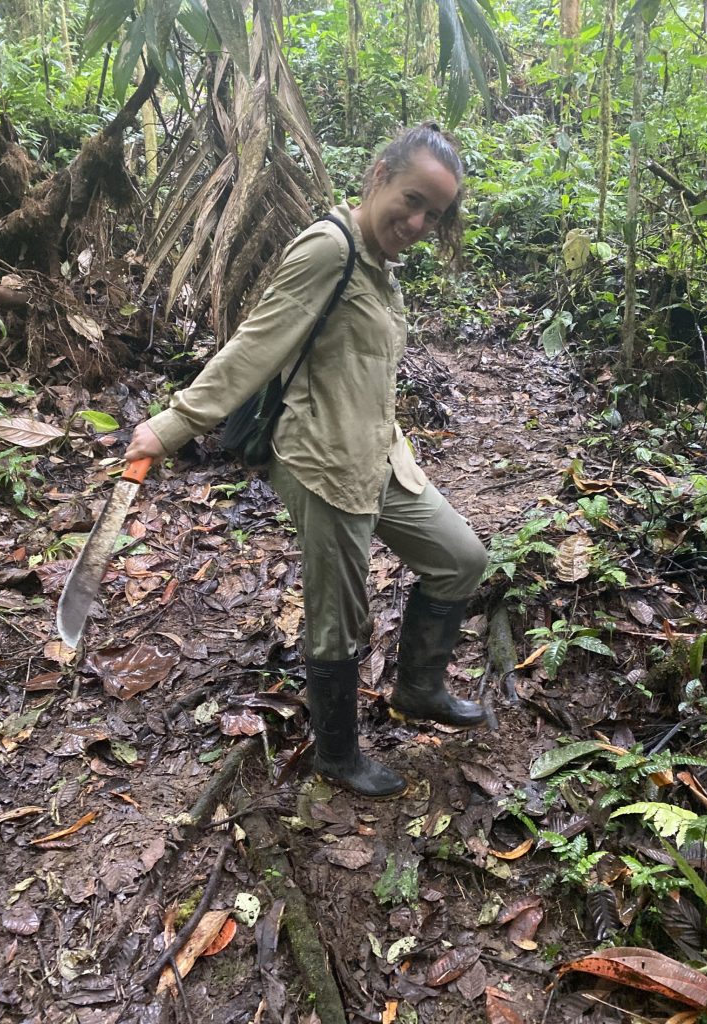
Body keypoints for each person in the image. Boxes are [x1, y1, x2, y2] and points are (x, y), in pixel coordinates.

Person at [125, 122, 489, 798]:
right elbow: (254, 346)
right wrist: (171, 426)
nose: (416, 222)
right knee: (338, 619)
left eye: (432, 215)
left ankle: (418, 689)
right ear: (378, 173)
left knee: (461, 558)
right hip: (321, 461)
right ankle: (338, 754)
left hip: (378, 454)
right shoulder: (330, 249)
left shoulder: (379, 262)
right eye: (410, 200)